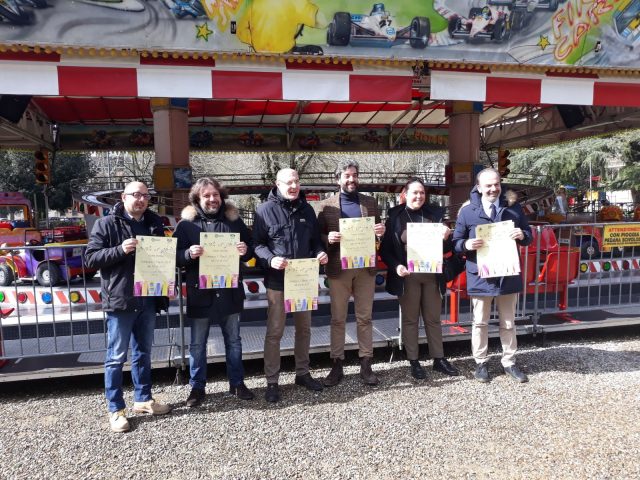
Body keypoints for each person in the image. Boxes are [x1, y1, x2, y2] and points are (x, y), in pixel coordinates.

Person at [84, 182, 171, 433]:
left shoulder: (155, 223)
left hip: (148, 297)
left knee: (143, 352)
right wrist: (120, 250)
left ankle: (143, 399)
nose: (141, 199)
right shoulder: (106, 224)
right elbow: (90, 258)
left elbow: (163, 257)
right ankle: (116, 409)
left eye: (145, 195)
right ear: (123, 197)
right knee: (116, 357)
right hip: (121, 299)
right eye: (136, 195)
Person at [173, 178, 255, 408]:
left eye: (215, 195)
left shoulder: (234, 222)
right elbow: (173, 256)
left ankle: (237, 383)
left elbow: (251, 249)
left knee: (234, 341)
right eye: (206, 195)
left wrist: (245, 250)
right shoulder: (186, 225)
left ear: (221, 196)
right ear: (197, 198)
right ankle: (197, 387)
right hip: (201, 293)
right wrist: (188, 254)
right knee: (198, 345)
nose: (212, 199)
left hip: (229, 291)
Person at [253, 168, 328, 402]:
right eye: (289, 182)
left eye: (296, 181)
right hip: (278, 281)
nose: (294, 186)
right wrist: (270, 259)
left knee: (304, 329)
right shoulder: (264, 211)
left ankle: (302, 373)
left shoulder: (307, 209)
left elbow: (315, 242)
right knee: (275, 332)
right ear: (277, 184)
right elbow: (257, 245)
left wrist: (320, 252)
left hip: (303, 280)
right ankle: (272, 381)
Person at [452, 168, 532, 383]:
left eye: (496, 184)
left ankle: (509, 362)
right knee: (480, 322)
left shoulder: (513, 208)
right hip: (481, 275)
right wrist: (467, 244)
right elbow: (455, 242)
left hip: (507, 273)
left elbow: (528, 235)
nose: (493, 189)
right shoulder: (467, 212)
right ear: (479, 187)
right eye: (488, 185)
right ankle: (481, 362)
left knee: (508, 322)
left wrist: (522, 234)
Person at [380, 178, 460, 379]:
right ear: (405, 194)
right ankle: (414, 361)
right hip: (408, 275)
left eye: (422, 193)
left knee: (433, 319)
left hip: (432, 274)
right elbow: (385, 250)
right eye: (415, 192)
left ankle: (439, 359)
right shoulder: (395, 218)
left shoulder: (435, 215)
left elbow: (447, 249)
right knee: (410, 320)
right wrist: (396, 266)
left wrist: (447, 236)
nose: (419, 196)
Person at [316, 160, 385, 387]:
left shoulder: (369, 202)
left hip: (365, 268)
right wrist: (328, 238)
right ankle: (337, 364)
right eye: (347, 175)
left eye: (354, 175)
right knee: (338, 319)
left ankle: (366, 363)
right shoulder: (325, 206)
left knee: (365, 318)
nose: (351, 179)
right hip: (339, 268)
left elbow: (377, 233)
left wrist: (380, 231)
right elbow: (316, 237)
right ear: (338, 179)